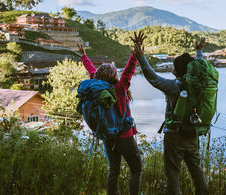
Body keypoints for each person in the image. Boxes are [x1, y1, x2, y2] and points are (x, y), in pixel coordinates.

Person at [131, 32, 209, 195]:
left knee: (173, 174)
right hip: (192, 134)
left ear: (179, 70)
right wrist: (199, 52)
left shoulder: (174, 86)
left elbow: (153, 78)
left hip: (174, 136)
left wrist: (141, 57)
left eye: (174, 65)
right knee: (197, 171)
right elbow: (199, 66)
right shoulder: (197, 85)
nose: (172, 67)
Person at [77, 43, 142, 195]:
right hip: (124, 136)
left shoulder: (97, 88)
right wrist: (135, 54)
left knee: (114, 170)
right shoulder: (119, 88)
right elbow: (128, 71)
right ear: (114, 76)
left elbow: (92, 71)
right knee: (136, 169)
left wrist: (84, 55)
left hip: (107, 136)